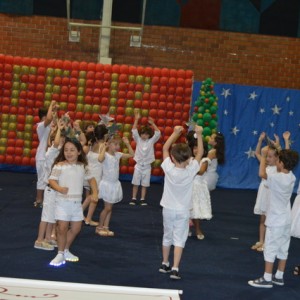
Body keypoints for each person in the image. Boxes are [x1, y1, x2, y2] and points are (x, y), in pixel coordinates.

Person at [248, 148, 299, 288]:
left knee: (270, 248)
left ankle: (267, 278)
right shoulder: (292, 176)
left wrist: (263, 156)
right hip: (286, 219)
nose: (275, 162)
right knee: (283, 248)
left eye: (277, 160)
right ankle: (279, 276)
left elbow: (261, 173)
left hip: (276, 220)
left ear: (281, 163)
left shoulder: (276, 177)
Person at [159, 125, 203, 280]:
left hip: (168, 209)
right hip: (183, 211)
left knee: (167, 236)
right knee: (179, 239)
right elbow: (201, 154)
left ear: (173, 157)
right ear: (189, 158)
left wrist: (175, 133)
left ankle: (164, 263)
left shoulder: (169, 169)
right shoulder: (191, 171)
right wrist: (199, 134)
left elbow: (165, 148)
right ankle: (175, 268)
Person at [48, 138, 98, 267]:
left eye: (72, 150)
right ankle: (59, 254)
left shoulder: (83, 167)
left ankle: (65, 249)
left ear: (79, 152)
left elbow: (92, 180)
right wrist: (59, 188)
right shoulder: (60, 165)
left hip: (76, 204)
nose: (69, 153)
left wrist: (95, 193)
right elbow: (52, 180)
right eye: (66, 150)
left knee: (76, 229)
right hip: (62, 202)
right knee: (62, 227)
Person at [251, 132, 290, 252]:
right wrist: (260, 140)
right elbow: (257, 153)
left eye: (270, 156)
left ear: (277, 158)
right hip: (263, 194)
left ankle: (268, 243)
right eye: (266, 156)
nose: (267, 158)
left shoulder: (279, 168)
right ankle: (261, 241)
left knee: (270, 220)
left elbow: (286, 155)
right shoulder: (265, 165)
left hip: (272, 196)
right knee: (262, 219)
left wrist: (285, 141)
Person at [34, 118, 65, 251]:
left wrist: (63, 127)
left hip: (55, 191)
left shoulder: (57, 153)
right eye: (61, 141)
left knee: (52, 216)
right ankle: (39, 240)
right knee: (46, 217)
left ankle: (47, 238)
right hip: (50, 190)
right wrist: (58, 128)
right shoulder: (51, 151)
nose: (62, 143)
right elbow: (57, 141)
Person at [95, 134, 134, 236]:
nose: (117, 146)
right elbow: (100, 159)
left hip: (114, 184)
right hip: (107, 184)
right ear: (109, 144)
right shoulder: (105, 155)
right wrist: (104, 147)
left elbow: (132, 154)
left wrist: (127, 144)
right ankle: (99, 227)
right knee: (107, 208)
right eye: (115, 144)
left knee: (110, 208)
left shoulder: (117, 154)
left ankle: (106, 227)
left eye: (118, 144)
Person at [130, 109, 161, 206]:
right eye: (143, 134)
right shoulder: (138, 140)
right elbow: (134, 131)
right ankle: (134, 198)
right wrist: (136, 120)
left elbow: (158, 133)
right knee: (135, 183)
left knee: (145, 184)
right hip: (138, 165)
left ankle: (143, 199)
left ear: (149, 135)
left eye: (146, 134)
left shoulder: (151, 141)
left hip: (147, 166)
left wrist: (153, 124)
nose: (144, 136)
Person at [82, 124, 108, 226]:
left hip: (88, 171)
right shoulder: (102, 146)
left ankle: (80, 212)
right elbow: (101, 159)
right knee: (94, 197)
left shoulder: (91, 143)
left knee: (91, 196)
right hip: (96, 174)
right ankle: (88, 219)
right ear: (105, 135)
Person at [187, 131, 212, 240]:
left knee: (197, 209)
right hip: (189, 187)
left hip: (199, 188)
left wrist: (190, 169)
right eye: (194, 148)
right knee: (187, 209)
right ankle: (186, 229)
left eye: (198, 148)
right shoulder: (190, 160)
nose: (196, 150)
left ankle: (198, 229)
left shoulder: (205, 160)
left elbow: (201, 171)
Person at [34, 100, 57, 207]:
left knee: (50, 178)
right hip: (42, 156)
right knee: (42, 179)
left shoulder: (50, 125)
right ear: (43, 117)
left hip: (50, 155)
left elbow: (54, 120)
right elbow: (49, 118)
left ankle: (47, 199)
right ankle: (39, 200)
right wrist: (51, 104)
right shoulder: (40, 126)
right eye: (50, 113)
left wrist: (55, 110)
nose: (52, 116)